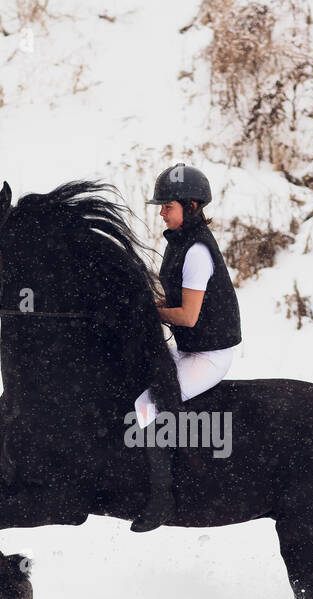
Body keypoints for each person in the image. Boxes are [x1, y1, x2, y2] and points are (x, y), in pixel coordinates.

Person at [130, 163, 242, 532]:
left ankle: (161, 497)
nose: (161, 212)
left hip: (208, 355)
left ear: (190, 207)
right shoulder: (179, 243)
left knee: (146, 404)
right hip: (190, 348)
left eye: (167, 206)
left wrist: (147, 311)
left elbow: (188, 316)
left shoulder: (196, 252)